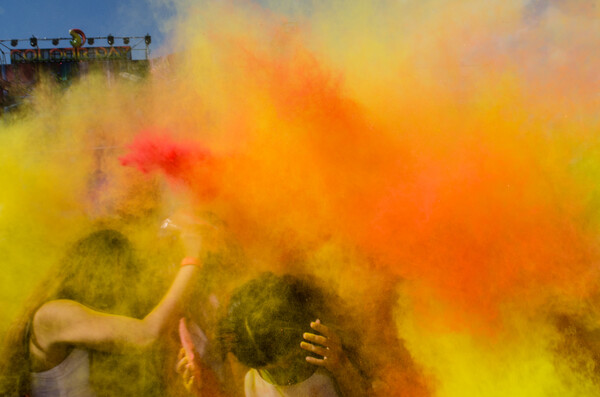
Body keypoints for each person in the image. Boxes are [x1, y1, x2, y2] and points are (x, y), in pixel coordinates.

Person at [0, 226, 203, 397]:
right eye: (123, 273)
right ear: (98, 271)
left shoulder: (89, 324)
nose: (125, 285)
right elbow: (145, 334)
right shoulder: (53, 314)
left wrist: (180, 382)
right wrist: (192, 259)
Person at [178, 272, 371, 396]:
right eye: (268, 371)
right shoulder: (252, 380)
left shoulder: (330, 363)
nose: (282, 378)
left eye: (286, 365)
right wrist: (204, 391)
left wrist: (343, 367)